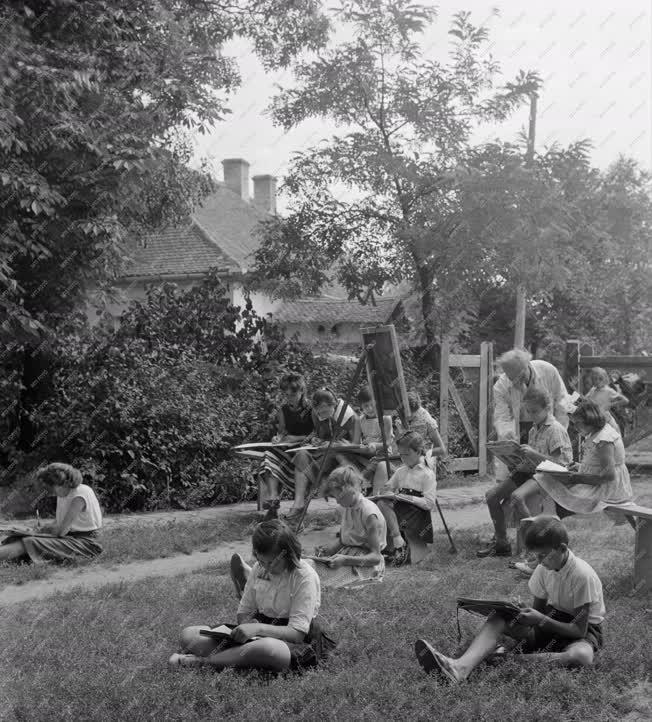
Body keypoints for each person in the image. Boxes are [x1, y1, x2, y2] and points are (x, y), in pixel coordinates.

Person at [415, 516, 605, 683]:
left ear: (562, 548)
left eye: (543, 555)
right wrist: (523, 613)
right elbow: (536, 615)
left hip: (581, 632)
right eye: (535, 556)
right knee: (498, 618)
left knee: (581, 656)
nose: (539, 561)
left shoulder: (581, 575)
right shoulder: (543, 569)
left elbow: (579, 630)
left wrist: (540, 619)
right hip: (547, 626)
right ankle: (459, 668)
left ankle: (504, 660)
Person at [169, 520, 336, 672]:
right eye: (262, 561)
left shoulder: (304, 577)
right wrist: (246, 625)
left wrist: (258, 629)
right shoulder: (259, 568)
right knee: (189, 635)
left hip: (293, 641)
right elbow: (244, 611)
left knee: (268, 649)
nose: (267, 568)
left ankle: (204, 663)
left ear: (288, 554)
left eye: (273, 562)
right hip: (257, 631)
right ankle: (239, 658)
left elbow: (296, 634)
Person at [478, 388, 573, 559]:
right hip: (530, 472)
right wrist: (512, 461)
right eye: (528, 411)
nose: (531, 415)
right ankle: (501, 543)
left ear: (547, 408)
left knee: (517, 497)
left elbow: (560, 464)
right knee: (491, 496)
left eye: (535, 411)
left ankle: (536, 545)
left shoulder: (555, 429)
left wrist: (533, 455)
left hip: (547, 475)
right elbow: (529, 460)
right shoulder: (533, 430)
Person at [532, 398, 633, 518]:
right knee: (546, 478)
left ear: (590, 419)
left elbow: (608, 476)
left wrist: (575, 478)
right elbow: (598, 465)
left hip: (608, 490)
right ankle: (548, 516)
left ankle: (549, 519)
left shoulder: (604, 439)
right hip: (597, 483)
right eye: (573, 423)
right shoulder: (594, 433)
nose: (575, 428)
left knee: (556, 496)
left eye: (577, 423)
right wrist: (580, 467)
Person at [0, 463, 103, 563]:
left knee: (30, 541)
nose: (51, 492)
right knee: (17, 538)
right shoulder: (63, 494)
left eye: (51, 487)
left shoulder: (80, 494)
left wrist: (39, 533)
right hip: (71, 538)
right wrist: (39, 530)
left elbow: (61, 531)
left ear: (64, 483)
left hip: (87, 543)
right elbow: (59, 522)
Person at [286, 388, 361, 522]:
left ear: (334, 404)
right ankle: (298, 504)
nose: (321, 414)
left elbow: (357, 445)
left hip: (344, 459)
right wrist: (315, 439)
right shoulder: (317, 414)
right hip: (324, 456)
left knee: (337, 456)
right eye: (318, 411)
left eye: (325, 410)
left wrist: (340, 445)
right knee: (302, 454)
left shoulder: (350, 417)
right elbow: (319, 434)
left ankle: (349, 508)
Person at [307, 466, 386, 589]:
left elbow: (375, 557)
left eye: (339, 497)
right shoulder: (347, 507)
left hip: (365, 566)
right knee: (311, 566)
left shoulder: (369, 513)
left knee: (318, 577)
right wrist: (328, 551)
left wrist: (345, 560)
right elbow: (346, 540)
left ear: (350, 489)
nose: (338, 502)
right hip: (349, 556)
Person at [375, 431, 437, 566]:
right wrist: (385, 490)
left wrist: (403, 497)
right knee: (379, 503)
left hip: (417, 514)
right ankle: (387, 547)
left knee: (383, 505)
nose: (402, 458)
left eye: (406, 454)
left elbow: (429, 504)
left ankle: (398, 541)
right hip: (402, 509)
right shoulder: (400, 471)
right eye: (400, 454)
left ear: (418, 451)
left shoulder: (427, 474)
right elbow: (388, 487)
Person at [258, 373, 314, 504]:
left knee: (279, 457)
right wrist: (278, 438)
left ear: (302, 391)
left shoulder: (311, 409)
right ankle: (273, 497)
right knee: (268, 455)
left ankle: (283, 499)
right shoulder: (283, 409)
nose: (289, 398)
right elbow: (282, 431)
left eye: (293, 395)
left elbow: (317, 435)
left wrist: (296, 438)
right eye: (286, 395)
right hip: (289, 449)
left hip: (307, 450)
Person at [357, 386, 395, 495]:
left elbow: (387, 442)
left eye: (372, 405)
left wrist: (375, 445)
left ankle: (363, 482)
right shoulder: (361, 420)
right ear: (361, 407)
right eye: (365, 406)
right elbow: (360, 441)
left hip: (382, 453)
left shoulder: (385, 418)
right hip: (367, 452)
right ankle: (363, 487)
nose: (369, 409)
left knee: (371, 467)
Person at [396, 391, 446, 467]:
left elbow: (441, 449)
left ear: (417, 410)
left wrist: (422, 453)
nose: (406, 417)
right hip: (405, 458)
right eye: (404, 414)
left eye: (409, 415)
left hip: (422, 460)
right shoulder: (401, 417)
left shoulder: (426, 420)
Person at [585, 367, 628, 432]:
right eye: (595, 379)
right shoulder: (593, 389)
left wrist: (610, 405)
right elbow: (585, 400)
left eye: (600, 379)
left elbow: (625, 400)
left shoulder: (608, 390)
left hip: (606, 420)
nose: (597, 381)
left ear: (604, 379)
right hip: (594, 418)